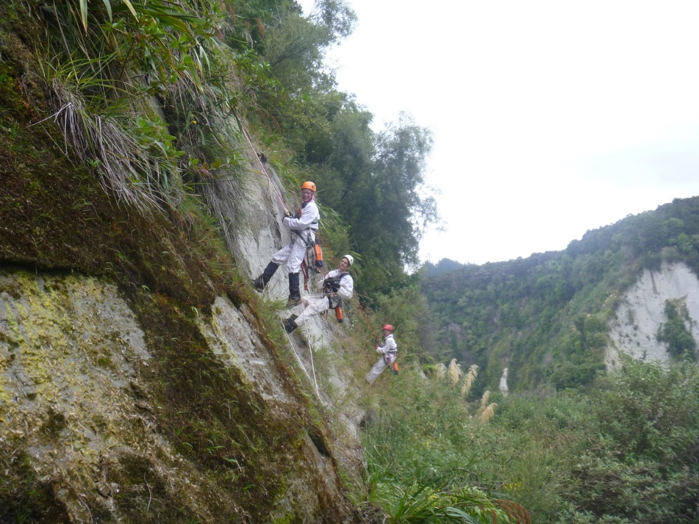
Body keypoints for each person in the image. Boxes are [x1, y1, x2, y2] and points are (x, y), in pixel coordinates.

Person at [252, 181, 320, 306]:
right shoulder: (305, 205)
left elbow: (301, 224)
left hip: (303, 241)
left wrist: (286, 220)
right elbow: (300, 221)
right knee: (277, 258)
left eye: (308, 193)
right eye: (304, 192)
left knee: (293, 266)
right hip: (299, 239)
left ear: (312, 194)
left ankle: (294, 296)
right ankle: (261, 283)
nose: (305, 195)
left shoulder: (311, 207)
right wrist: (292, 217)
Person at [283, 255, 354, 333]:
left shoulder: (348, 279)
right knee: (304, 300)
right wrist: (325, 282)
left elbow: (348, 295)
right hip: (322, 294)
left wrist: (337, 287)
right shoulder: (333, 273)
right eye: (342, 261)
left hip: (331, 299)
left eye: (345, 263)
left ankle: (292, 326)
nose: (343, 263)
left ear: (348, 266)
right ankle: (290, 320)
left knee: (312, 308)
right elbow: (319, 285)